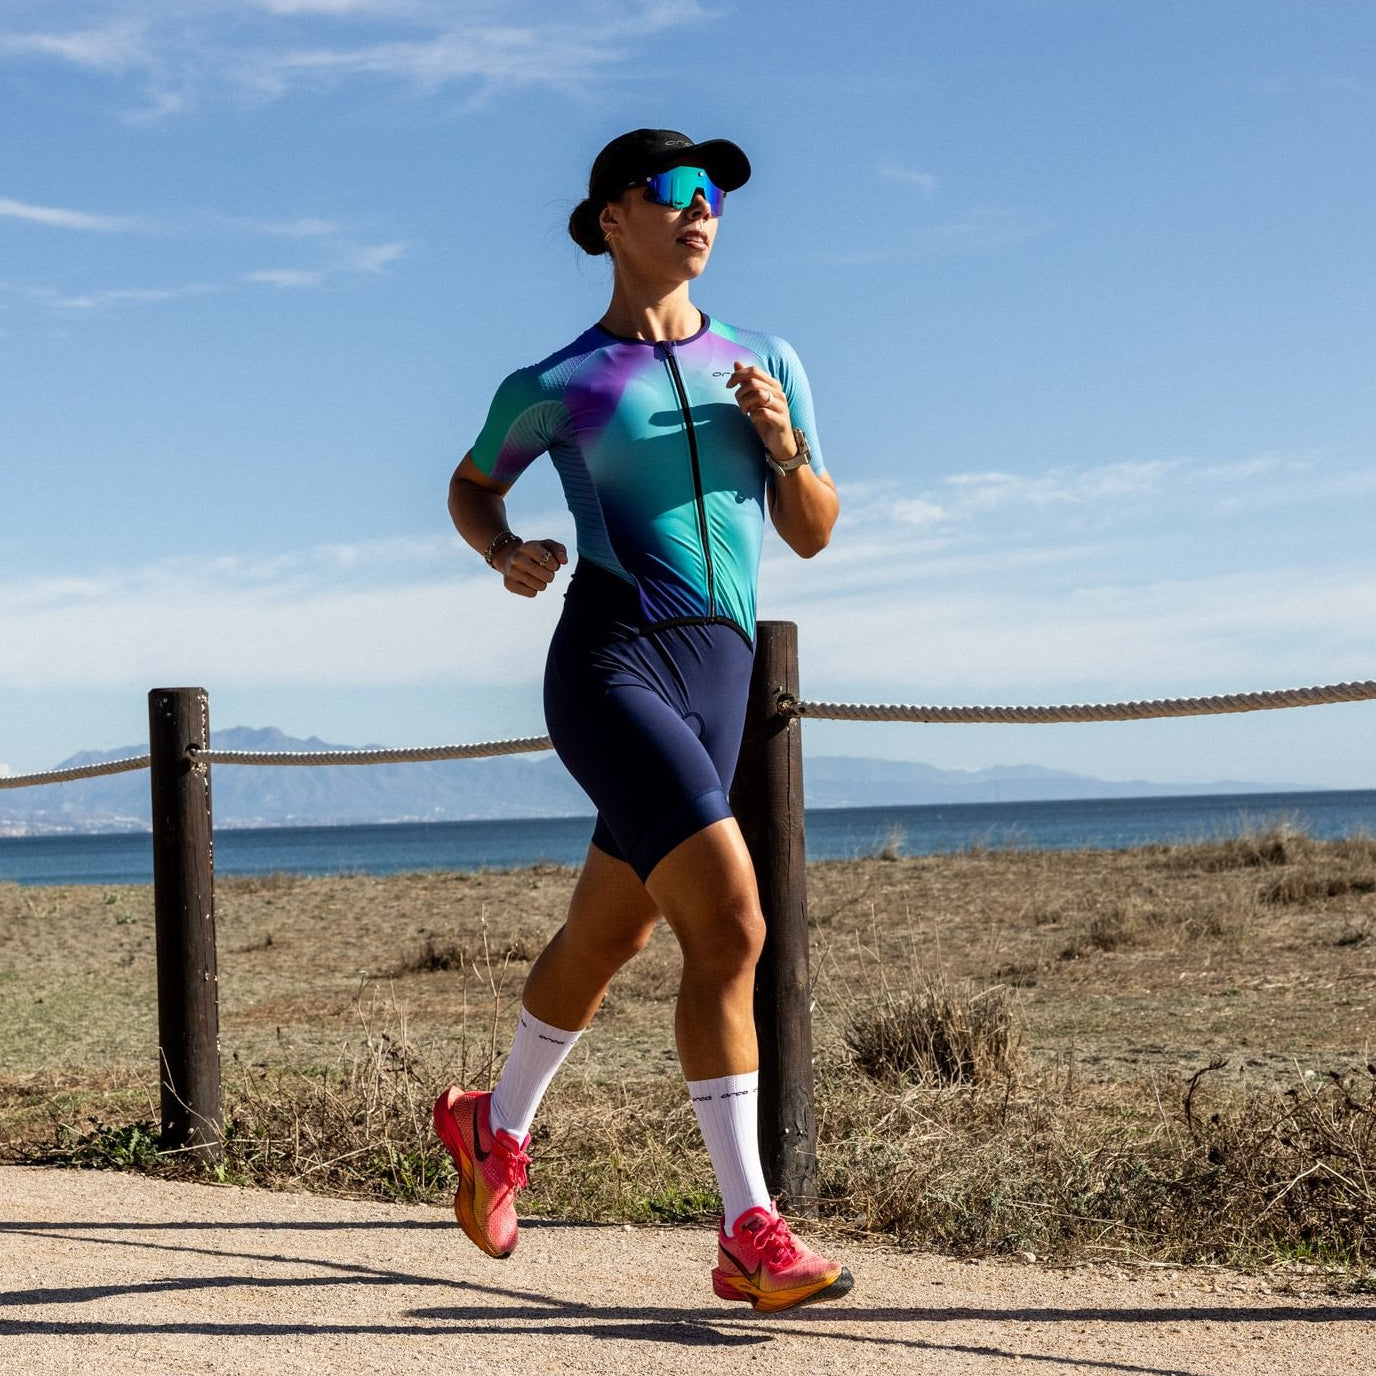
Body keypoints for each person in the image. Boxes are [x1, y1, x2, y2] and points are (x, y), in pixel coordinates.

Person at [438, 128, 848, 1313]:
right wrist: (504, 548)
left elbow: (813, 527)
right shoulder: (560, 384)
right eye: (673, 192)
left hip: (718, 676)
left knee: (609, 935)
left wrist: (781, 445)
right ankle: (746, 1228)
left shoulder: (768, 359)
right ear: (609, 219)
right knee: (729, 923)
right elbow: (471, 482)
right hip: (611, 663)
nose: (700, 211)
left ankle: (489, 1124)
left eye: (712, 195)